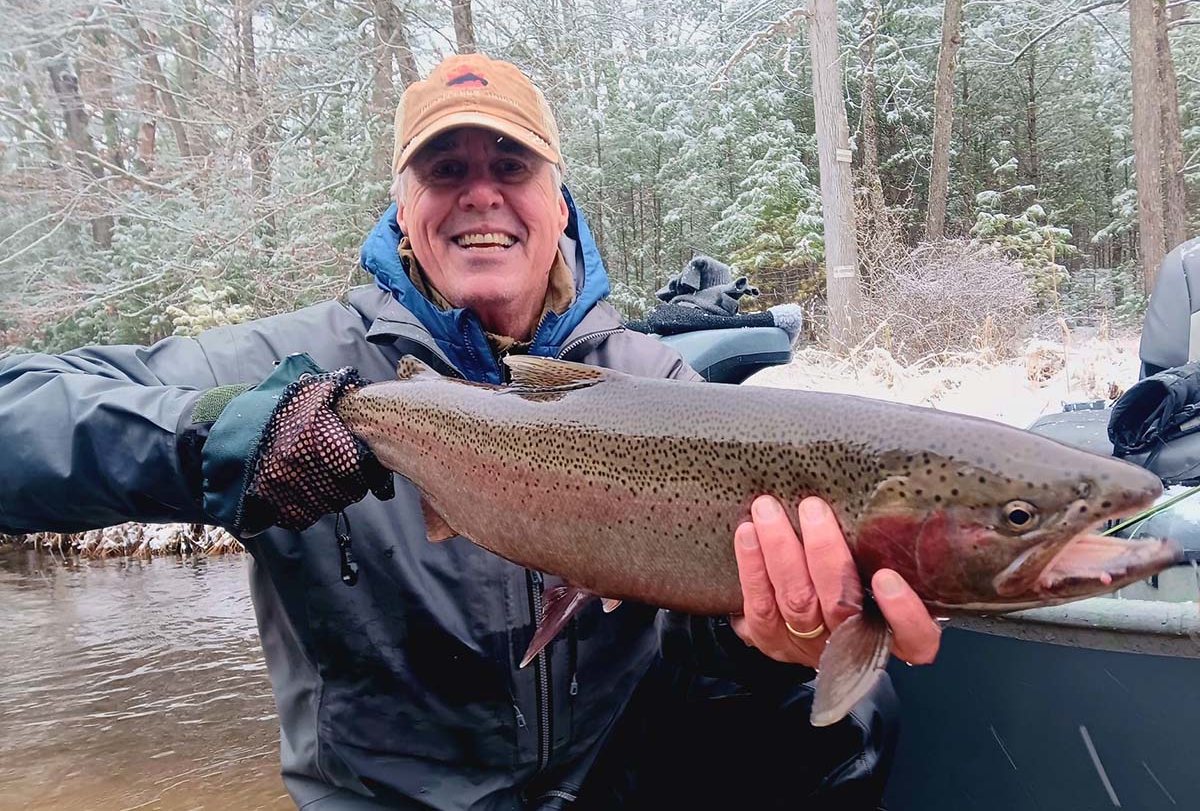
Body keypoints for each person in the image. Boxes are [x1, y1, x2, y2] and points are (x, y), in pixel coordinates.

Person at [0, 54, 939, 810]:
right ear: (404, 211)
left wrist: (761, 642)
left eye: (511, 166)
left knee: (853, 721)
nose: (481, 194)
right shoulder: (303, 367)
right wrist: (218, 437)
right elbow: (18, 412)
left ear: (559, 203)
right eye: (446, 170)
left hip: (614, 786)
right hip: (387, 797)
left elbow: (699, 667)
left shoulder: (659, 388)